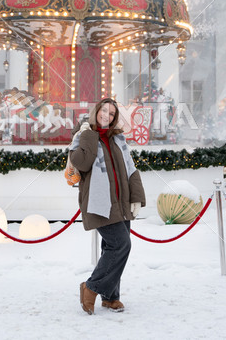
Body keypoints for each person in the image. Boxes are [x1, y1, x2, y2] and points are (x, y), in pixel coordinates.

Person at [69, 98, 146, 315]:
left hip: (121, 202)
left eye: (112, 113)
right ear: (96, 111)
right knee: (121, 245)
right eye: (104, 111)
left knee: (110, 247)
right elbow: (81, 163)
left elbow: (130, 168)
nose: (107, 116)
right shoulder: (82, 135)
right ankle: (91, 287)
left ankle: (111, 297)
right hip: (99, 201)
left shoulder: (118, 138)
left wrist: (136, 197)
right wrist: (88, 135)